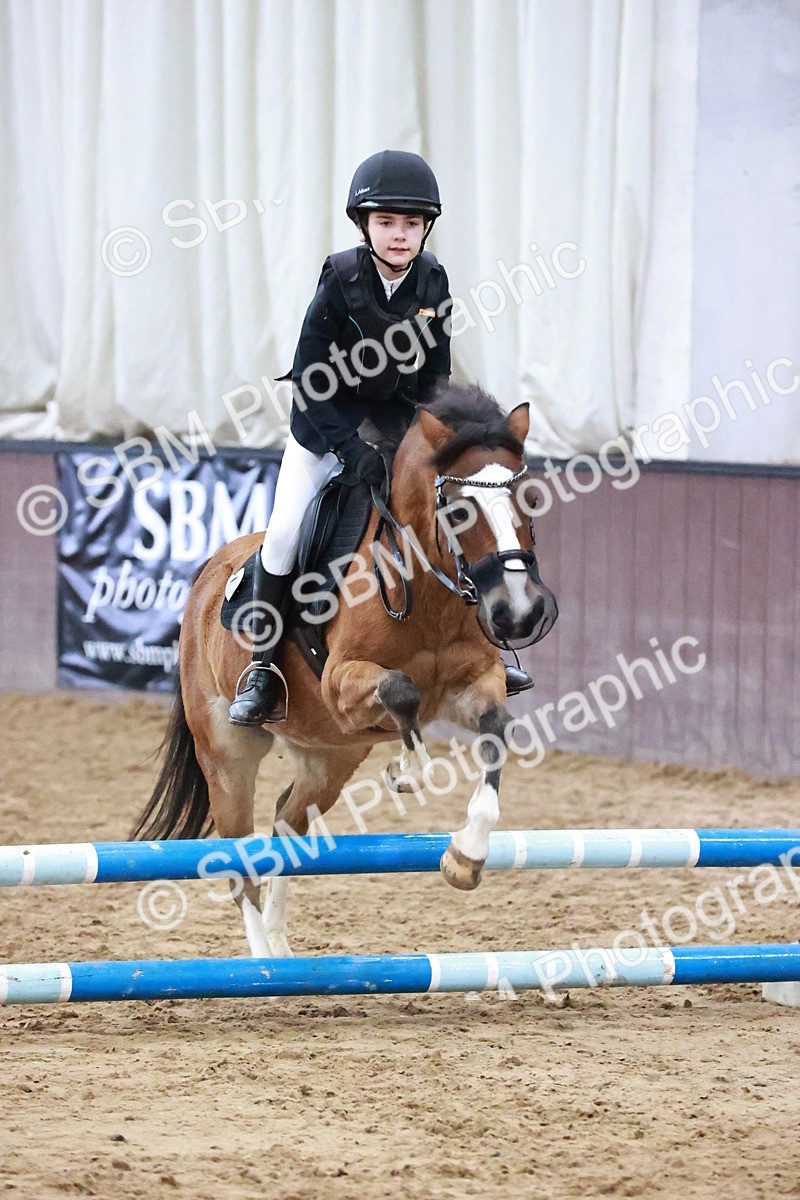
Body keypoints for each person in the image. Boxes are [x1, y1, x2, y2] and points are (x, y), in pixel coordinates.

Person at [229, 149, 531, 726]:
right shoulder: (340, 283)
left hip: (397, 435)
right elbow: (310, 385)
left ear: (426, 228)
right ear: (364, 226)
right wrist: (349, 449)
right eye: (387, 222)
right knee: (286, 533)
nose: (400, 234)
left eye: (411, 223)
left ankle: (488, 650)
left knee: (453, 514)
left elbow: (437, 380)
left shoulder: (433, 281)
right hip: (324, 433)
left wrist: (429, 446)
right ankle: (263, 669)